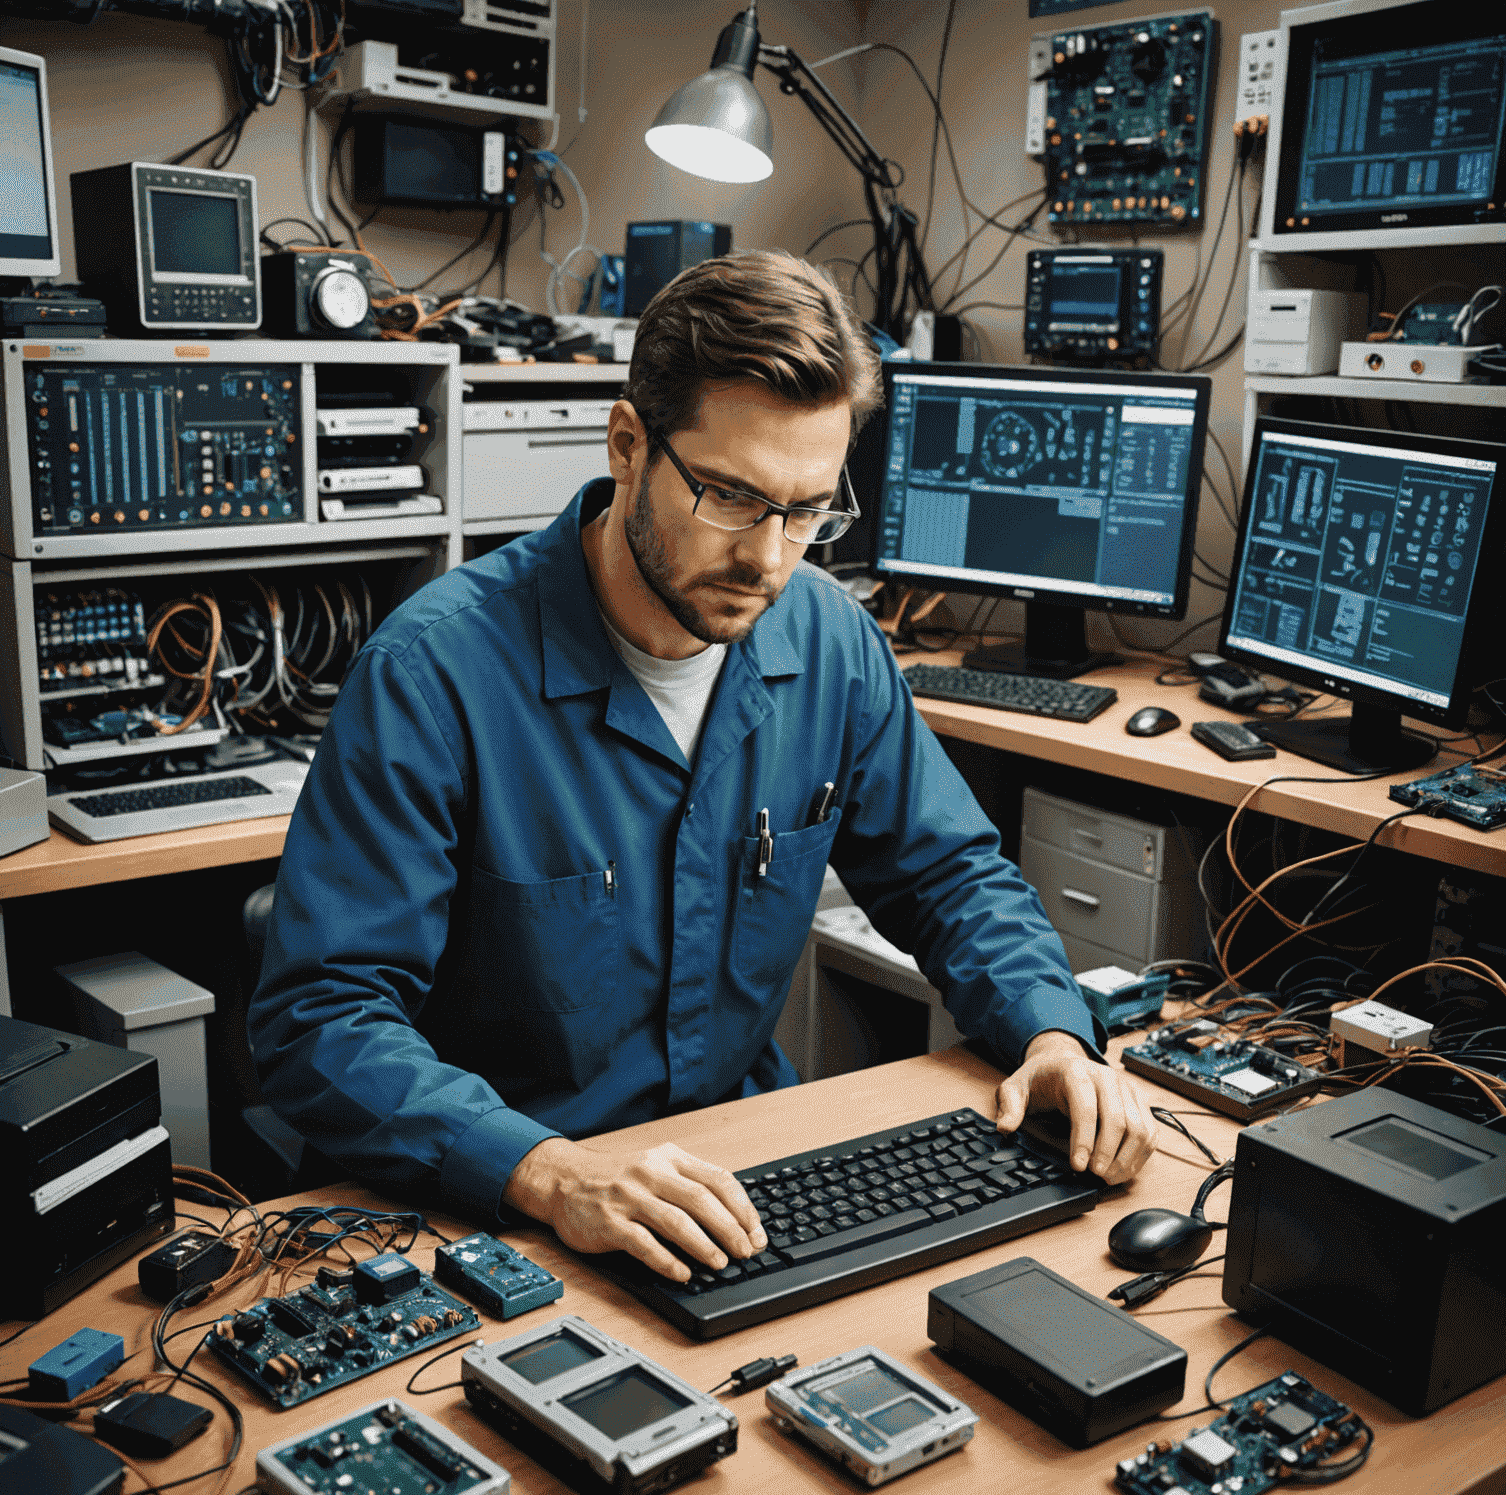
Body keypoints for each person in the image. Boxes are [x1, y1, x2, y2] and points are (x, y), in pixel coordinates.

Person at [248, 249, 1157, 1285]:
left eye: (809, 511)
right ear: (629, 443)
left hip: (738, 1182)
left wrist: (1051, 1035)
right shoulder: (433, 673)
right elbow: (321, 1021)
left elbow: (949, 875)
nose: (770, 559)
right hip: (497, 1213)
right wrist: (552, 1176)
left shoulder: (827, 639)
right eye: (731, 497)